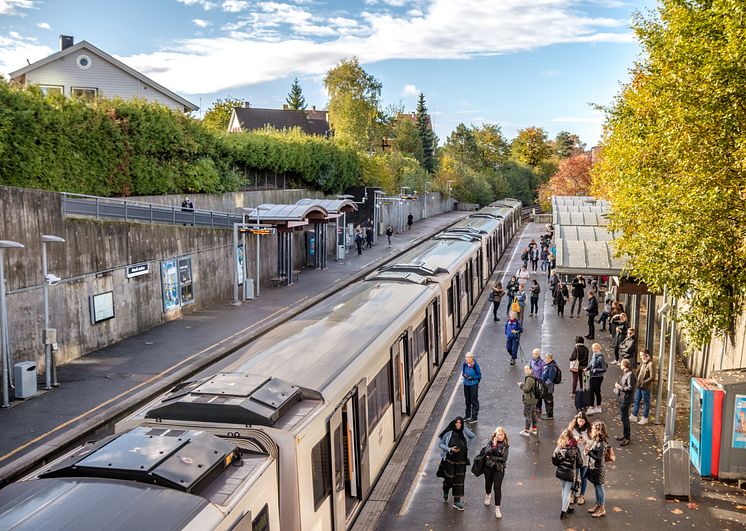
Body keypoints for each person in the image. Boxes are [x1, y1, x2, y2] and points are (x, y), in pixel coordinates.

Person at [438, 417, 475, 510]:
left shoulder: (464, 431)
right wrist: (449, 449)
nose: (458, 424)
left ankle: (457, 502)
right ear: (454, 423)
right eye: (457, 423)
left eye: (460, 423)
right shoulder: (449, 433)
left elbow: (473, 437)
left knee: (459, 481)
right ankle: (445, 488)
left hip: (461, 461)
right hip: (449, 460)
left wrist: (466, 447)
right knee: (449, 478)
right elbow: (441, 444)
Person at [552, 429, 580, 520]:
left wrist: (560, 464)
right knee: (567, 492)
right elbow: (580, 463)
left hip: (560, 472)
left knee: (564, 490)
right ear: (571, 437)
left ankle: (566, 507)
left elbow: (554, 460)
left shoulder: (559, 447)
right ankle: (563, 512)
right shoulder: (575, 448)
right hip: (570, 473)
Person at [483, 426, 509, 519]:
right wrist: (494, 445)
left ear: (504, 435)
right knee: (488, 484)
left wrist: (492, 457)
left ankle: (497, 508)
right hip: (489, 467)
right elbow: (487, 452)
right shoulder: (490, 442)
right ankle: (488, 494)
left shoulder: (506, 445)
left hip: (499, 469)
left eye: (502, 435)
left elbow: (504, 458)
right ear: (495, 435)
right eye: (498, 435)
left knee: (497, 488)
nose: (500, 437)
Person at [586, 421, 609, 517]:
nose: (592, 430)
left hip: (599, 469)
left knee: (600, 488)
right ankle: (597, 505)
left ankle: (602, 508)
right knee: (596, 487)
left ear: (598, 430)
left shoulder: (602, 443)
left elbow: (599, 458)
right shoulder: (596, 441)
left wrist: (589, 453)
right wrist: (588, 451)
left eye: (593, 429)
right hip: (594, 468)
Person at [569, 412, 591, 506]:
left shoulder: (590, 430)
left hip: (585, 457)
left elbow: (593, 442)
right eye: (579, 420)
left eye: (582, 420)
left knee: (584, 477)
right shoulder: (572, 429)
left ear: (585, 421)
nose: (581, 422)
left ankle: (581, 496)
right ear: (576, 420)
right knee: (574, 477)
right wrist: (575, 440)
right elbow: (566, 441)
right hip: (575, 457)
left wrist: (586, 442)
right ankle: (572, 494)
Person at [614, 359, 637, 446]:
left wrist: (620, 387)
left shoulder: (630, 374)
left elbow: (630, 387)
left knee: (625, 419)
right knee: (624, 418)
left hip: (626, 399)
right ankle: (624, 435)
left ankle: (627, 437)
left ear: (624, 365)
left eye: (621, 364)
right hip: (623, 398)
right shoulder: (627, 373)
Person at [631, 349, 655, 425]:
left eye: (642, 355)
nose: (641, 357)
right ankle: (634, 415)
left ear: (647, 355)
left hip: (646, 387)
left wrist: (644, 382)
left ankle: (645, 417)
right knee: (636, 400)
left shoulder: (651, 364)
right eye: (640, 355)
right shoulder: (643, 362)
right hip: (639, 385)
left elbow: (653, 377)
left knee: (646, 402)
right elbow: (639, 372)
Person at [585, 343, 607, 414]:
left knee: (597, 392)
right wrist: (587, 368)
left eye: (593, 348)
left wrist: (596, 370)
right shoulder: (594, 355)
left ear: (597, 348)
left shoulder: (600, 357)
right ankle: (591, 406)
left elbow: (604, 369)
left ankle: (598, 406)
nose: (592, 350)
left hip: (598, 377)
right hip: (592, 376)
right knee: (591, 391)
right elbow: (591, 364)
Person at [518, 365, 539, 436]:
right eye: (525, 369)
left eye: (527, 369)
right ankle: (534, 429)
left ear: (531, 370)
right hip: (533, 399)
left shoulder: (529, 379)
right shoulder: (534, 377)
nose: (525, 371)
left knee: (528, 415)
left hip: (529, 400)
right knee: (533, 415)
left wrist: (521, 385)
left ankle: (526, 431)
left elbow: (526, 389)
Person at [462, 353, 481, 422]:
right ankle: (467, 415)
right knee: (467, 400)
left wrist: (473, 378)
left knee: (474, 401)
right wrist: (464, 375)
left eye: (469, 357)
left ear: (472, 358)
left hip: (473, 385)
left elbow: (479, 375)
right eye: (466, 357)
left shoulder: (475, 366)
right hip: (466, 384)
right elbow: (463, 373)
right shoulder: (464, 364)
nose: (467, 359)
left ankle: (474, 417)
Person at [541, 353, 559, 420]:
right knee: (546, 400)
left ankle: (550, 415)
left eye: (548, 358)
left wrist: (545, 385)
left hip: (548, 387)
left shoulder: (552, 367)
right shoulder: (549, 365)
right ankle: (548, 413)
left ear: (551, 358)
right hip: (546, 386)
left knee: (549, 400)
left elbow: (551, 378)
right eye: (546, 358)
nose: (546, 359)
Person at [529, 348, 545, 416]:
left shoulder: (542, 362)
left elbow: (543, 371)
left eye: (536, 354)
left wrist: (540, 379)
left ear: (539, 354)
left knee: (539, 395)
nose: (534, 355)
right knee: (533, 394)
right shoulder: (531, 361)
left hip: (539, 381)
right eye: (533, 354)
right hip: (532, 380)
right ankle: (534, 407)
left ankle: (539, 408)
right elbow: (529, 370)